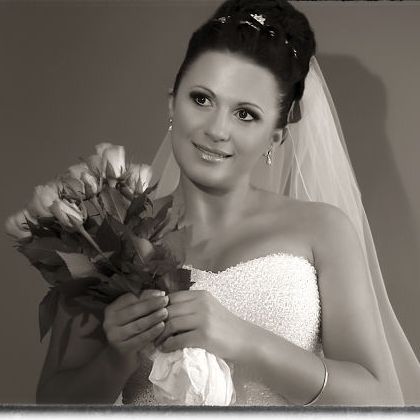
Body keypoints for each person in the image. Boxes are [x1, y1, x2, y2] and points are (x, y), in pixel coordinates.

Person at [36, 0, 420, 406]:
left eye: (246, 114)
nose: (217, 129)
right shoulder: (109, 237)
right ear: (172, 103)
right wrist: (117, 355)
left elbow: (378, 400)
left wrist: (246, 341)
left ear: (275, 136)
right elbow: (48, 406)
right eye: (202, 99)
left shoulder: (323, 230)